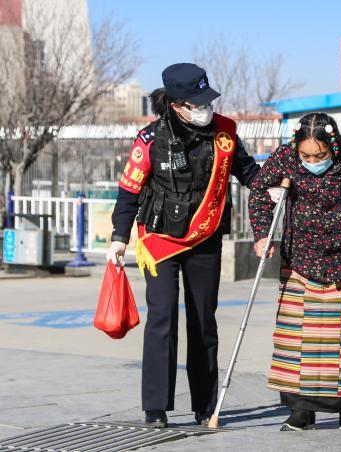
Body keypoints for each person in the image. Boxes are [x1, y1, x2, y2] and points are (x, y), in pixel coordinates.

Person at [107, 63, 260, 428]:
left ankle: (205, 405)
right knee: (162, 319)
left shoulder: (225, 134)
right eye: (195, 103)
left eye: (206, 100)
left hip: (205, 238)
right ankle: (156, 407)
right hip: (159, 239)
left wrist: (275, 183)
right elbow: (128, 191)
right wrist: (118, 237)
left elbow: (249, 171)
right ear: (176, 104)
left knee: (203, 321)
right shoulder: (150, 138)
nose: (205, 108)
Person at [248, 112, 341, 431]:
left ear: (333, 145)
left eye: (320, 155)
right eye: (306, 155)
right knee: (301, 339)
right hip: (301, 259)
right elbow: (260, 192)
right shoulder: (286, 157)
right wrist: (262, 234)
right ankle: (302, 411)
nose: (312, 161)